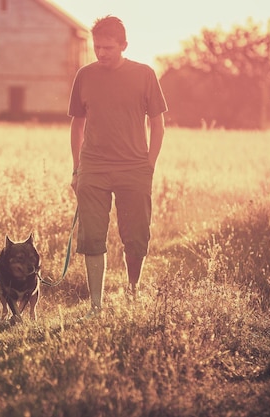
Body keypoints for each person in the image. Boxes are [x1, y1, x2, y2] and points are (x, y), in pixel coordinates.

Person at [68, 15, 167, 319]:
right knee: (92, 236)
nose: (102, 53)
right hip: (94, 169)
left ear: (124, 45)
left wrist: (148, 166)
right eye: (97, 47)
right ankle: (96, 305)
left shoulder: (145, 74)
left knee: (136, 235)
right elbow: (77, 126)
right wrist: (77, 169)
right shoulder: (84, 76)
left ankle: (133, 289)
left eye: (109, 47)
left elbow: (158, 125)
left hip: (134, 169)